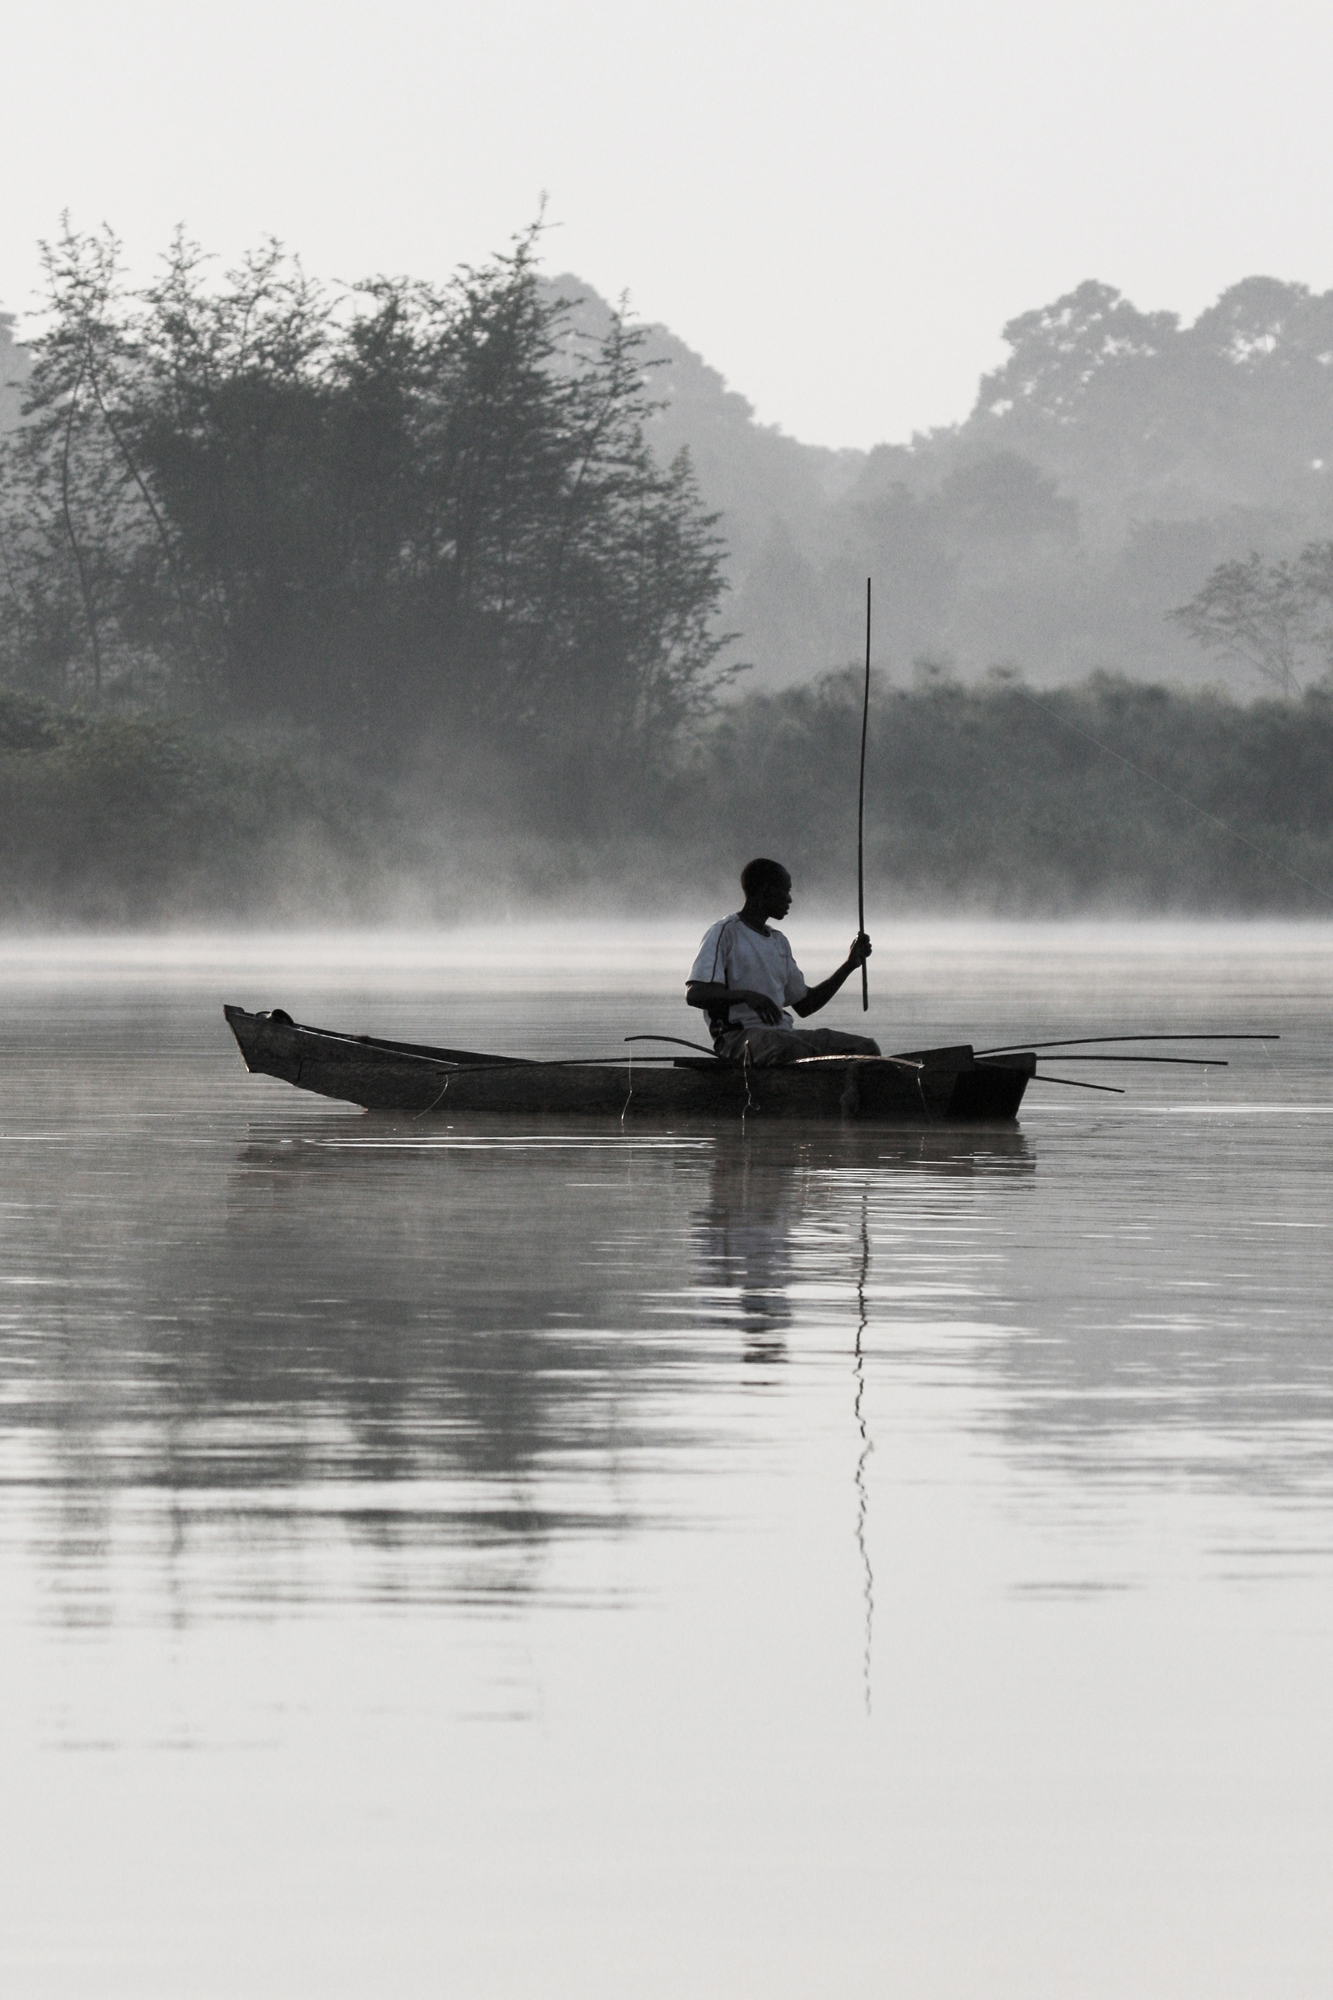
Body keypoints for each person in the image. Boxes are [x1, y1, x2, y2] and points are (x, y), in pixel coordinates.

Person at [686, 858, 880, 1065]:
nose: (789, 899)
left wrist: (849, 965)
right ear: (764, 890)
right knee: (795, 1050)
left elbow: (805, 1005)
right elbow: (695, 994)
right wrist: (746, 996)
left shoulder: (779, 942)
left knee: (866, 1048)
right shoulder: (725, 932)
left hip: (784, 1036)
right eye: (785, 891)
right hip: (737, 1039)